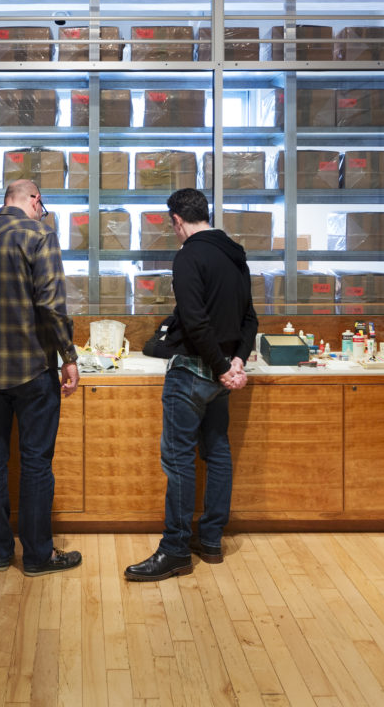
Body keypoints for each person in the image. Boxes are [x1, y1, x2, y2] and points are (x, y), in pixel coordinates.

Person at [0, 179, 82, 576]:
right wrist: (69, 356)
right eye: (43, 204)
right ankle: (38, 557)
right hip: (32, 368)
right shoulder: (41, 235)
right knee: (36, 462)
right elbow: (52, 304)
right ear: (35, 201)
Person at [125, 188, 257, 582]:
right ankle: (211, 539)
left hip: (193, 374)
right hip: (221, 377)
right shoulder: (236, 255)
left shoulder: (188, 257)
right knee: (216, 452)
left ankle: (175, 550)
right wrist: (235, 361)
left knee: (179, 460)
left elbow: (195, 323)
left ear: (177, 221)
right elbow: (249, 319)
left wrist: (219, 366)